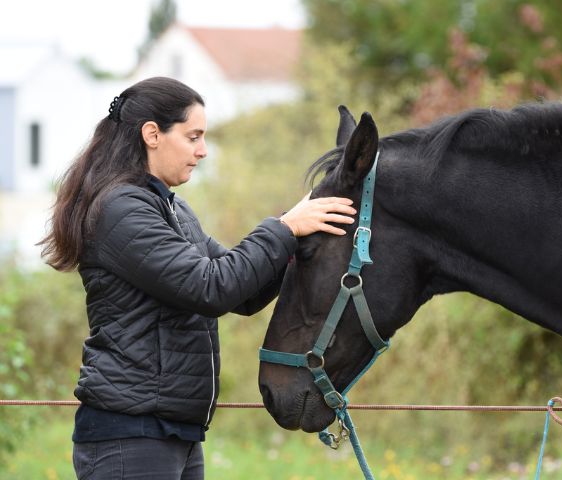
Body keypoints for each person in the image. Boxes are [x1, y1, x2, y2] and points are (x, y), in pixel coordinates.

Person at [39, 76, 356, 480]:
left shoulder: (173, 209)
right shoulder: (122, 209)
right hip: (132, 436)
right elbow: (210, 287)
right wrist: (284, 228)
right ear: (152, 134)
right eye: (193, 137)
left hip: (176, 432)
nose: (203, 151)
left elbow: (242, 293)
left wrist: (301, 239)